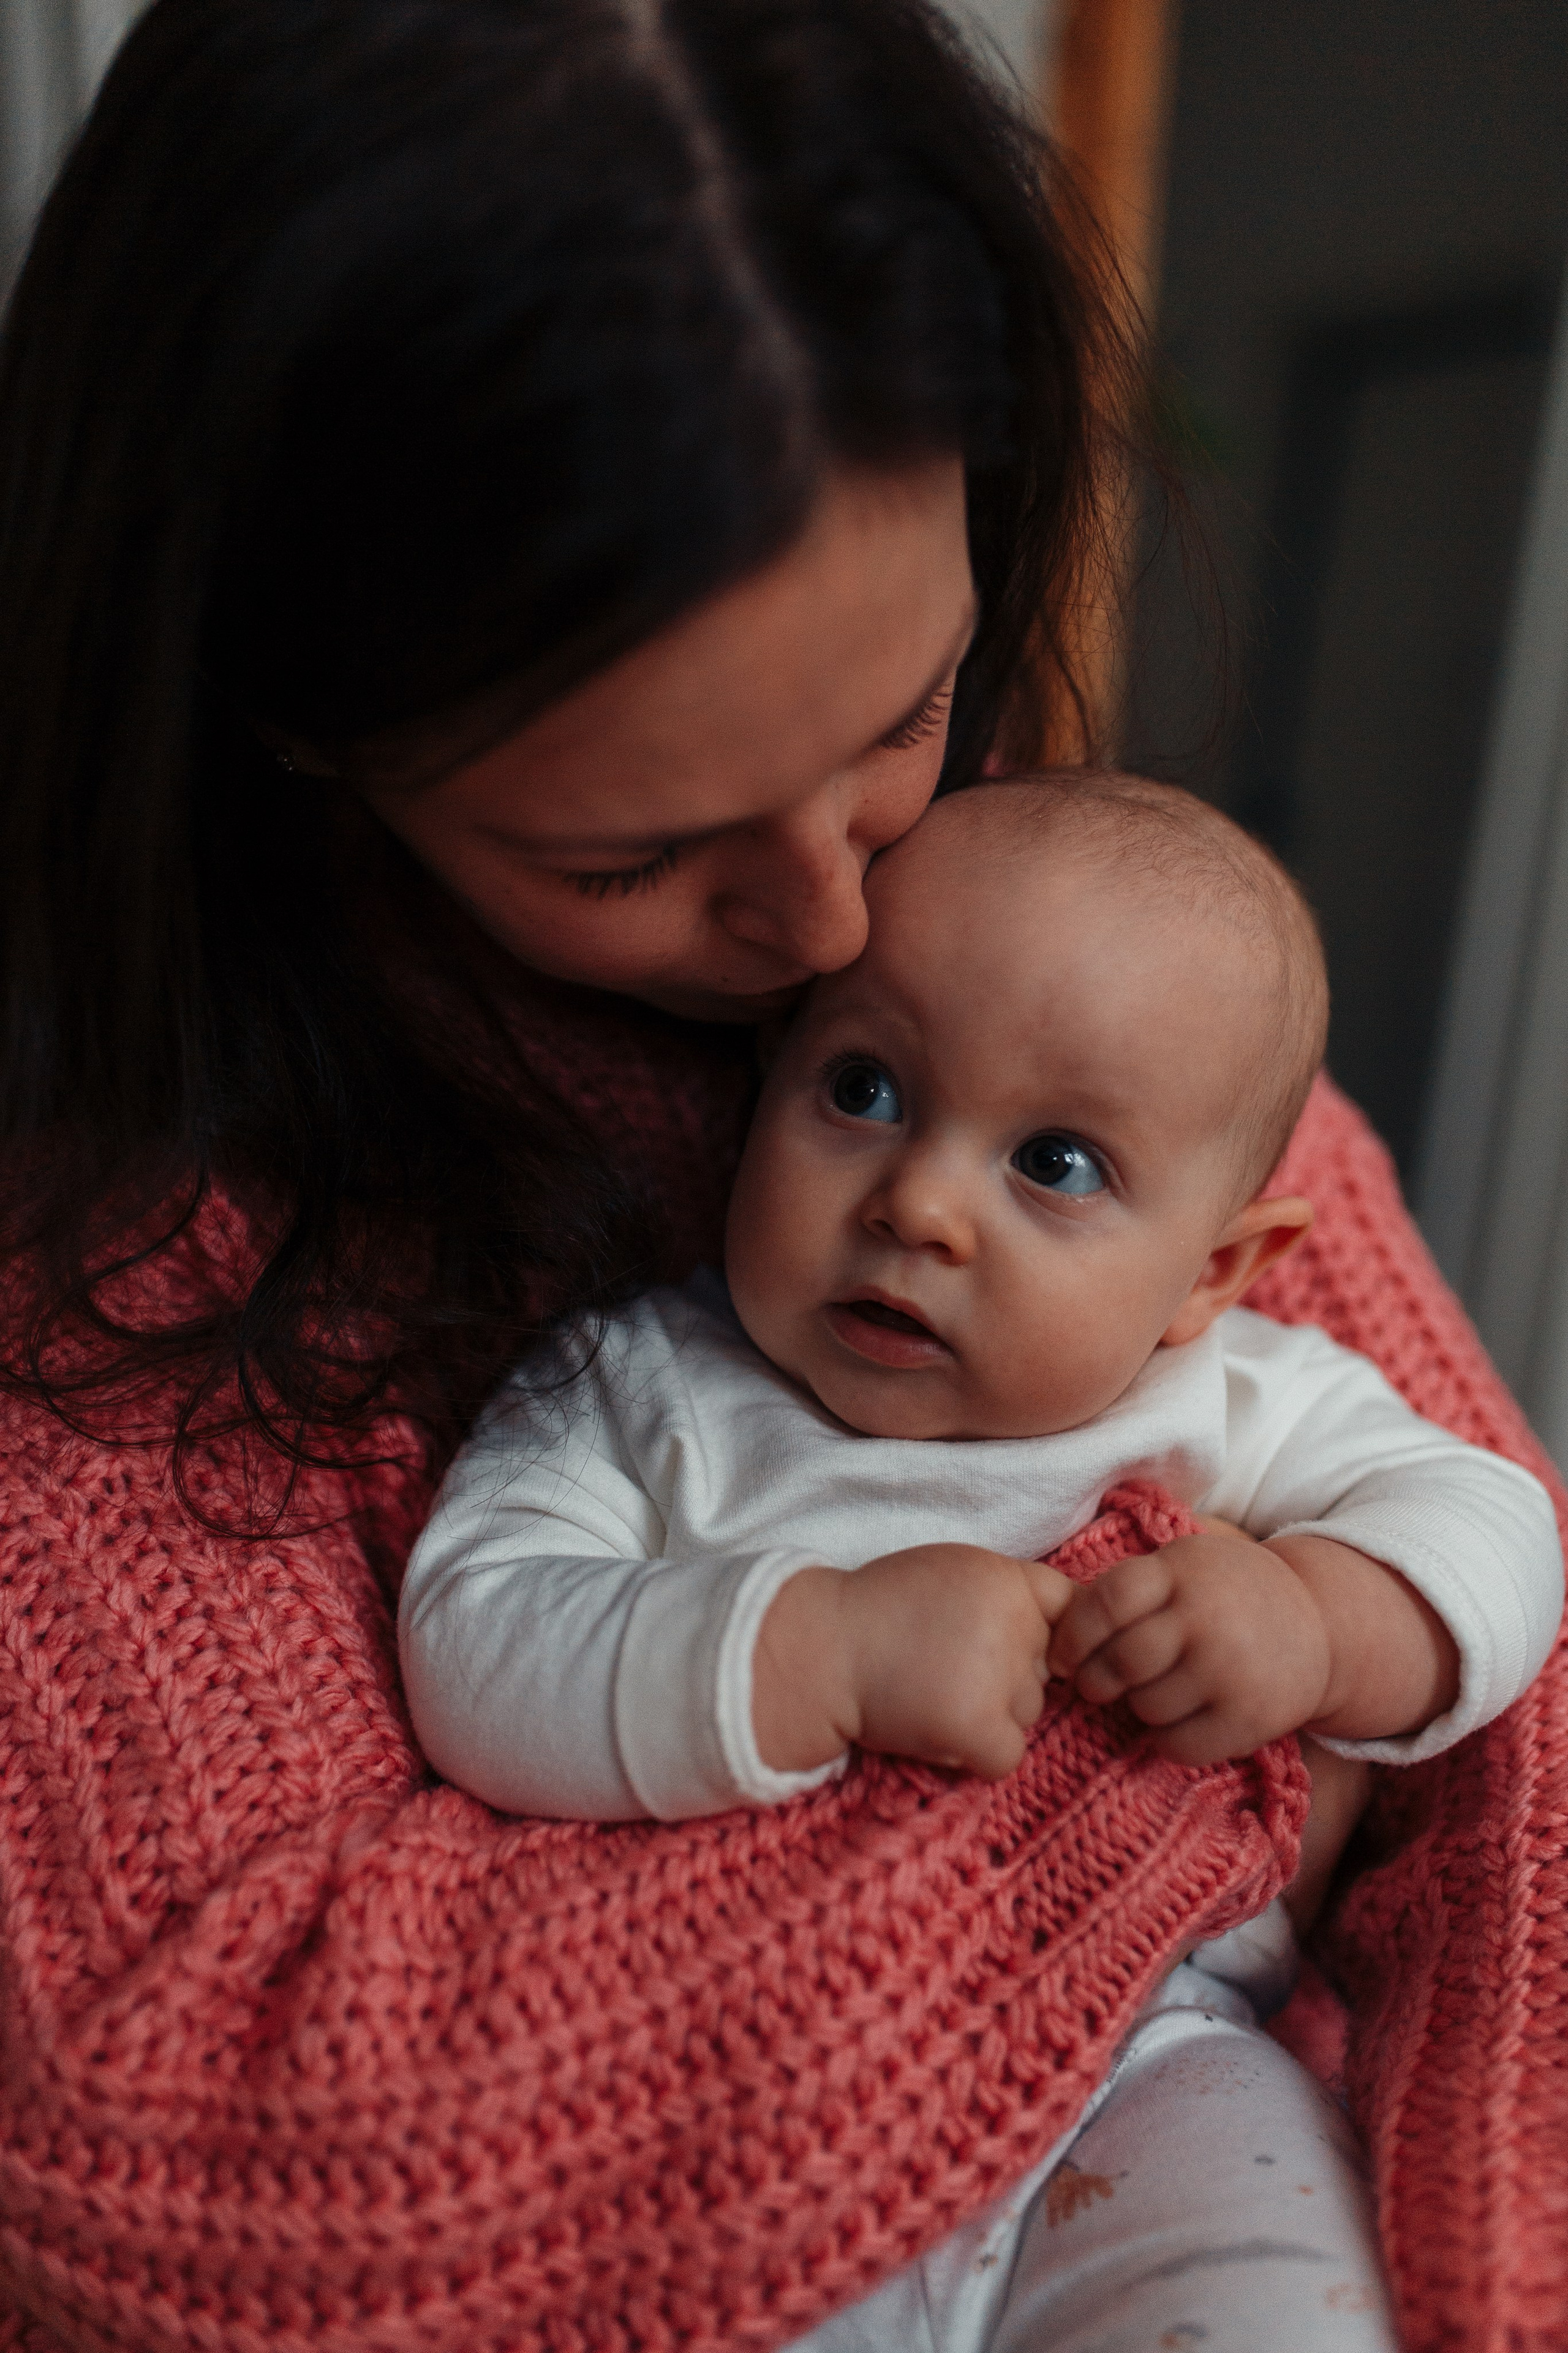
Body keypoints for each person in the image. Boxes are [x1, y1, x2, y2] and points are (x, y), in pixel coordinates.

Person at [1, 5, 1564, 2350]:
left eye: (901, 721)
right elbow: (189, 2149)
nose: (839, 928)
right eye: (637, 848)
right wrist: (1168, 1783)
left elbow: (1508, 1740)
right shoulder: (120, 1280)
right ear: (286, 722)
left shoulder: (1086, 1001)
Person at [399, 776, 1561, 2350]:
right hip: (737, 2094)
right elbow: (475, 1646)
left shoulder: (1228, 1398)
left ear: (1208, 1273)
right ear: (766, 1083)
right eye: (865, 1089)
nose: (921, 1203)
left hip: (1151, 2065)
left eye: (1056, 1165)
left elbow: (1495, 1527)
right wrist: (817, 1650)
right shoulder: (644, 1386)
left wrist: (1313, 1619)